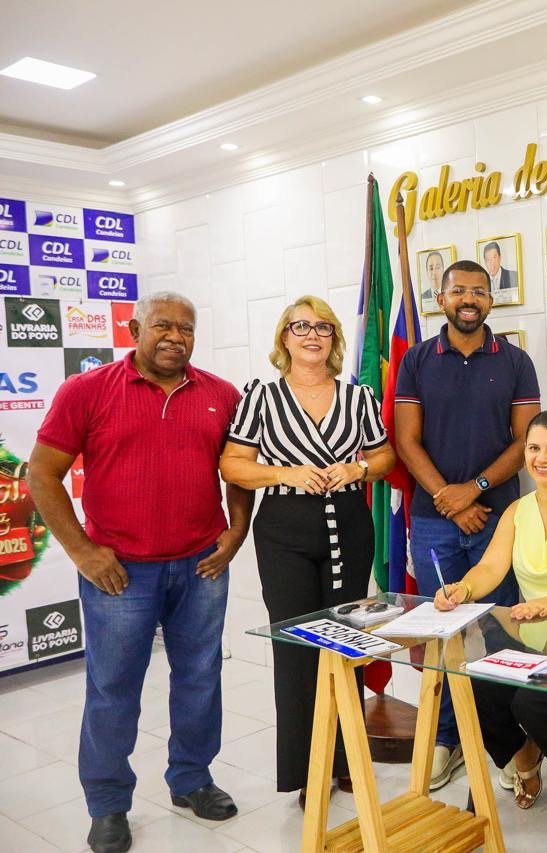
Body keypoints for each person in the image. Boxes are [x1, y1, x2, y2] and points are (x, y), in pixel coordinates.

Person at [27, 292, 252, 853]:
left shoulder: (222, 395)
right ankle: (107, 804)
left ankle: (192, 779)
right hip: (119, 574)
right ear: (134, 330)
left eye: (186, 328)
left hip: (202, 566)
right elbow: (42, 474)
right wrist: (83, 552)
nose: (175, 336)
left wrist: (236, 531)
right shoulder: (86, 390)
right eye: (162, 326)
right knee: (113, 690)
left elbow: (240, 471)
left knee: (200, 677)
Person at [219, 296, 396, 804]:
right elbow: (232, 464)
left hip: (349, 528)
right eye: (300, 327)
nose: (312, 335)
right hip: (284, 532)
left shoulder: (358, 396)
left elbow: (384, 456)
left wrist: (359, 468)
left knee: (345, 644)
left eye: (323, 327)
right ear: (284, 337)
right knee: (296, 649)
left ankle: (346, 759)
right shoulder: (261, 396)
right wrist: (286, 474)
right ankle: (306, 770)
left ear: (334, 337)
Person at [433, 409, 547, 829]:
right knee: (478, 685)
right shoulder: (517, 511)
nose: (542, 458)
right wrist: (462, 588)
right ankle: (525, 754)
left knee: (530, 702)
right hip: (536, 639)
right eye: (534, 448)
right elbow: (490, 568)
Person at [395, 258, 541, 789]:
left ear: (491, 300)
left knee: (500, 631)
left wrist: (473, 490)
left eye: (479, 291)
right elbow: (406, 441)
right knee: (442, 632)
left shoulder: (516, 361)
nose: (469, 299)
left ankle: (510, 745)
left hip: (497, 516)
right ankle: (447, 740)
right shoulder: (416, 360)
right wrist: (449, 499)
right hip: (432, 521)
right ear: (441, 299)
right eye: (459, 290)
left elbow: (526, 442)